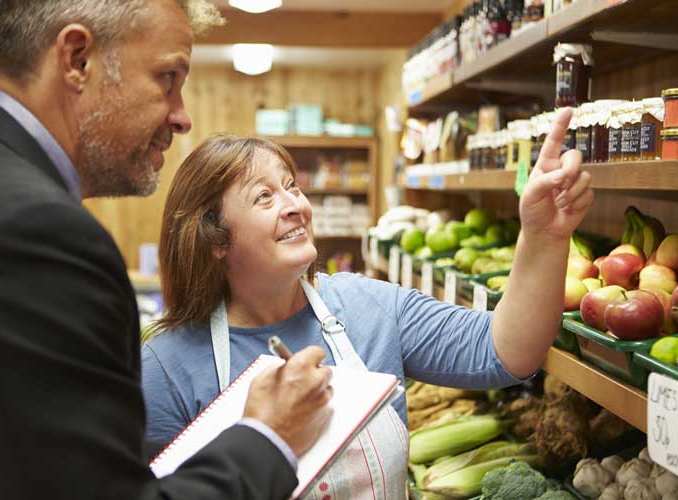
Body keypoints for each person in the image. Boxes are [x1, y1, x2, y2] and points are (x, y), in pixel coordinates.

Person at [0, 1, 334, 499]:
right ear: (77, 59)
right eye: (167, 79)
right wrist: (269, 437)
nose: (182, 118)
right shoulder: (37, 232)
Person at [141, 107, 594, 499]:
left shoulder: (366, 306)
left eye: (291, 186)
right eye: (264, 197)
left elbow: (506, 350)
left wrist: (543, 236)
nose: (296, 205)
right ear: (215, 238)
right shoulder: (166, 365)